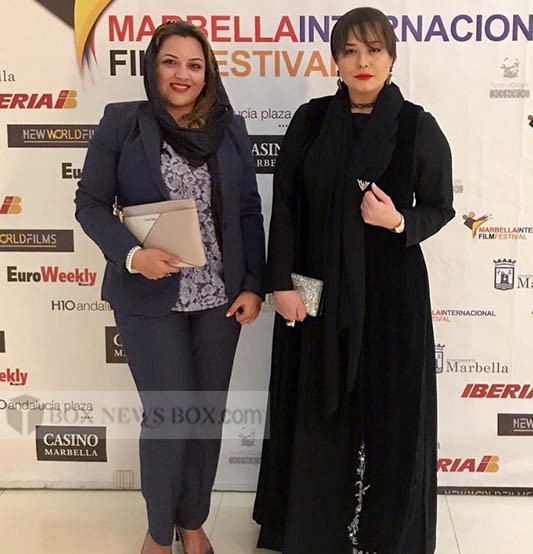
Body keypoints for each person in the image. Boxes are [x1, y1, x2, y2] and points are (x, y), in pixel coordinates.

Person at [253, 7, 454, 554]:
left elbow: (440, 207)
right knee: (317, 404)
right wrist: (282, 284)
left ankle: (385, 534)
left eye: (374, 50)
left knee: (389, 411)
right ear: (335, 61)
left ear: (391, 58)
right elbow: (285, 205)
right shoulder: (311, 120)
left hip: (392, 297)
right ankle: (315, 530)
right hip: (314, 287)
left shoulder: (416, 126)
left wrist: (398, 220)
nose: (363, 61)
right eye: (350, 51)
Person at [75, 21, 265, 554]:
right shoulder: (122, 123)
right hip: (148, 297)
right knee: (169, 417)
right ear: (152, 67)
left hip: (219, 300)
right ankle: (159, 532)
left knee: (205, 417)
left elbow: (249, 212)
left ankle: (192, 520)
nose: (183, 74)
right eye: (171, 62)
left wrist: (252, 283)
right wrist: (134, 256)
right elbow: (90, 204)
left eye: (195, 65)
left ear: (208, 74)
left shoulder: (229, 128)